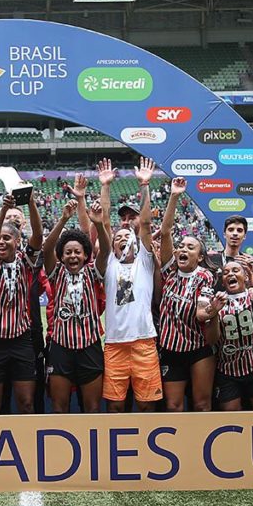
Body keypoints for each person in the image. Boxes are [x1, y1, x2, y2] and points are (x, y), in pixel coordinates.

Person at [97, 157, 163, 412]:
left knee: (146, 407)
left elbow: (144, 224)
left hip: (144, 341)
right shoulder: (109, 264)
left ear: (136, 242)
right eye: (118, 237)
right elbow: (103, 224)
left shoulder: (145, 263)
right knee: (115, 407)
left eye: (128, 235)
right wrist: (105, 186)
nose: (123, 237)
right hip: (114, 343)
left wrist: (145, 185)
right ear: (112, 246)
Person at [0, 185, 43, 415]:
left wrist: (32, 202)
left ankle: (28, 448)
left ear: (17, 241)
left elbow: (38, 235)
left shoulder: (26, 262)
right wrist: (4, 209)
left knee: (26, 403)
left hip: (21, 341)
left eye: (7, 238)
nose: (1, 242)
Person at [41, 199, 109, 413]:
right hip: (61, 348)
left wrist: (98, 224)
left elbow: (106, 251)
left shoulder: (92, 271)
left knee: (92, 408)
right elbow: (47, 247)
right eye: (68, 252)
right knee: (59, 408)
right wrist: (63, 219)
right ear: (61, 256)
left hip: (90, 346)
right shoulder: (56, 273)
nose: (73, 256)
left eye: (77, 252)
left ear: (85, 255)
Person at [157, 177, 217, 412]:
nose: (183, 249)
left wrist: (212, 310)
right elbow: (165, 232)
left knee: (202, 404)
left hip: (198, 349)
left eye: (190, 247)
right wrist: (174, 196)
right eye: (181, 245)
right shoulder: (170, 271)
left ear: (200, 257)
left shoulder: (205, 276)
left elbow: (202, 314)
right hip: (171, 349)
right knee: (173, 406)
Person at [199, 257, 253, 411]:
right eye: (226, 273)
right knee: (230, 414)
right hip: (227, 369)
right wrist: (214, 313)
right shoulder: (217, 301)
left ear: (246, 276)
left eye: (235, 270)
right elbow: (212, 339)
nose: (230, 274)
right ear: (223, 281)